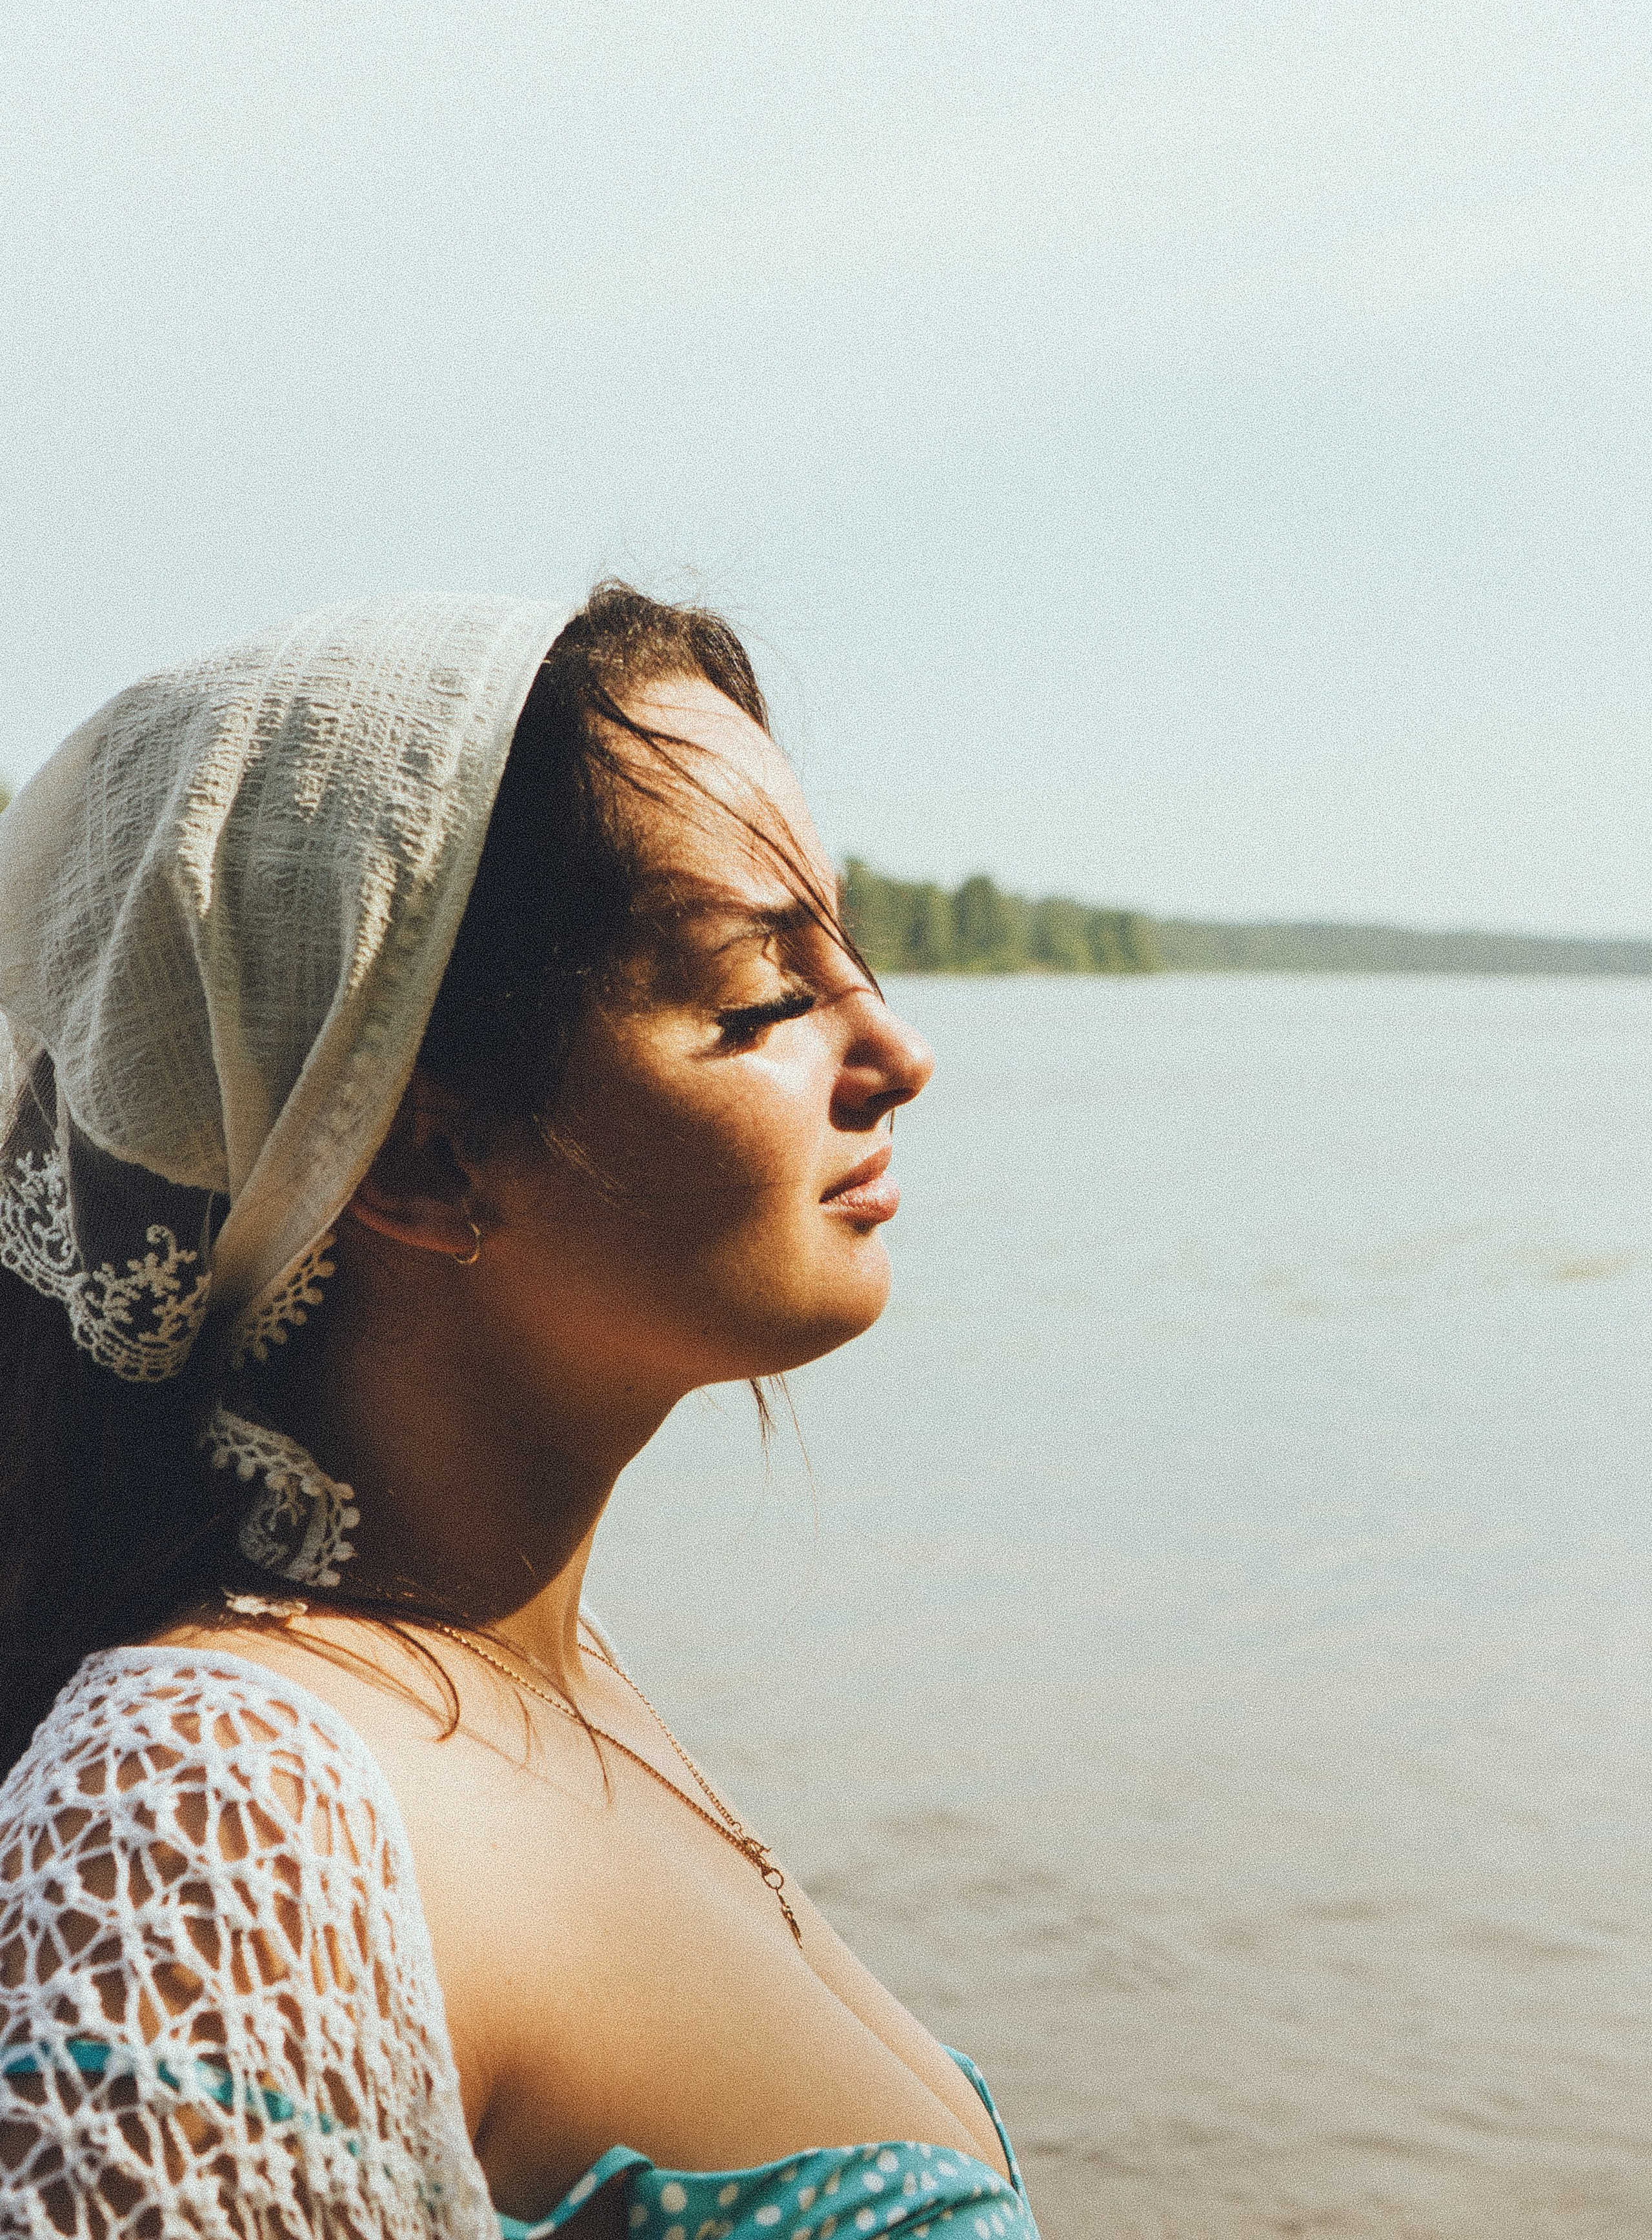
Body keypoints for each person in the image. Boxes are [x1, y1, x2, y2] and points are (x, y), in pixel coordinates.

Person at [0, 587, 1042, 2239]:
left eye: (854, 953)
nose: (897, 1048)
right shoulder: (212, 1807)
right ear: (422, 1157)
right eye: (763, 996)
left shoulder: (554, 1671)